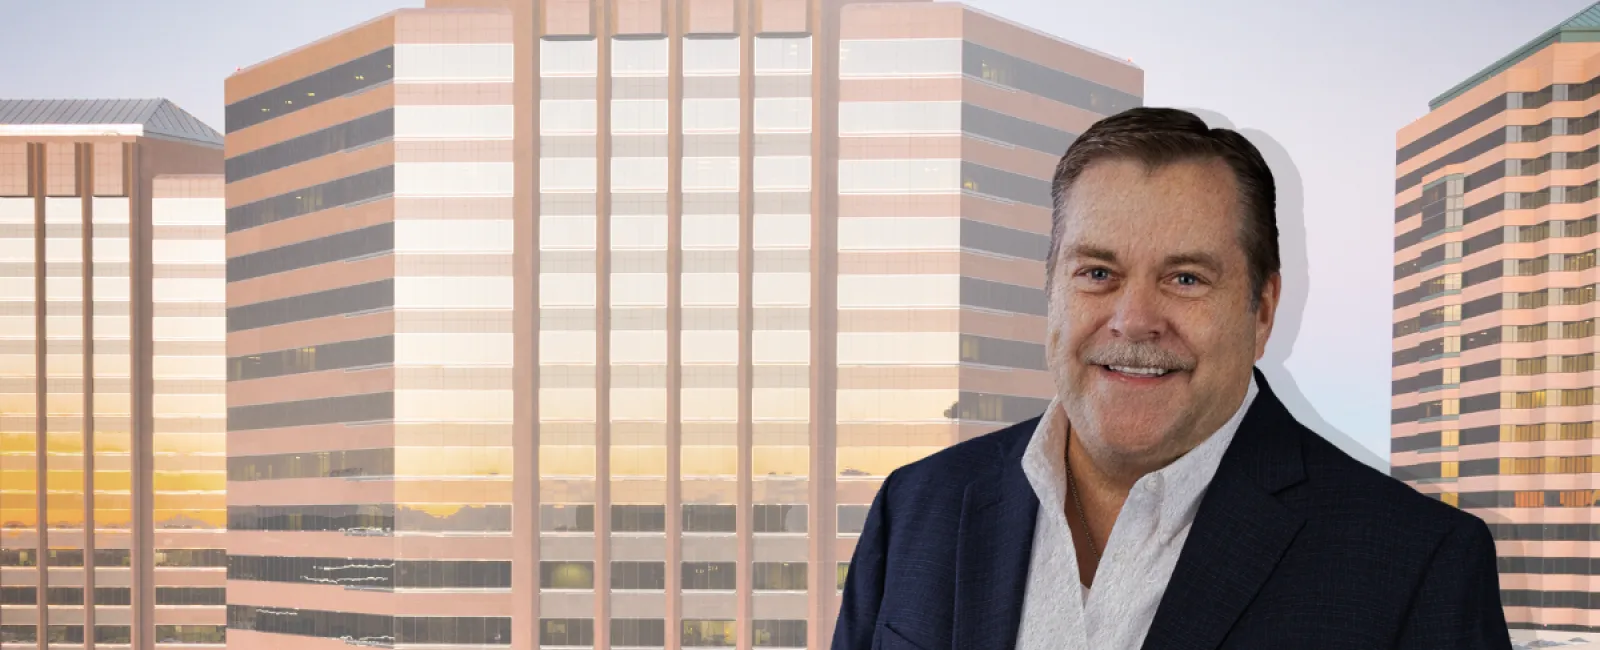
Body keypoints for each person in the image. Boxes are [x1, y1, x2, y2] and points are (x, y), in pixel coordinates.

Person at [831, 107, 1511, 650]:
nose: (1133, 321)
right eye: (1098, 273)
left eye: (1185, 278)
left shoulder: (1418, 567)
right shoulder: (915, 508)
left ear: (1262, 312)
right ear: (1052, 292)